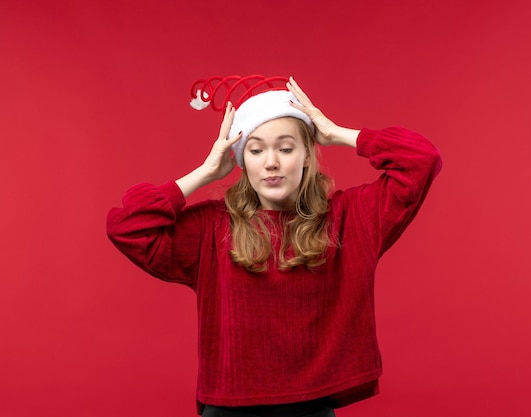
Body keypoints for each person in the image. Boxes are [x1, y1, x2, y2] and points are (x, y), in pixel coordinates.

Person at [106, 75, 442, 417]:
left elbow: (421, 159)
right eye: (255, 150)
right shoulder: (212, 227)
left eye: (285, 148)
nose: (271, 162)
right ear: (241, 160)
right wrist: (207, 171)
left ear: (307, 156)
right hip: (228, 409)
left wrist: (335, 133)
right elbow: (128, 225)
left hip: (312, 406)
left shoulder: (350, 219)